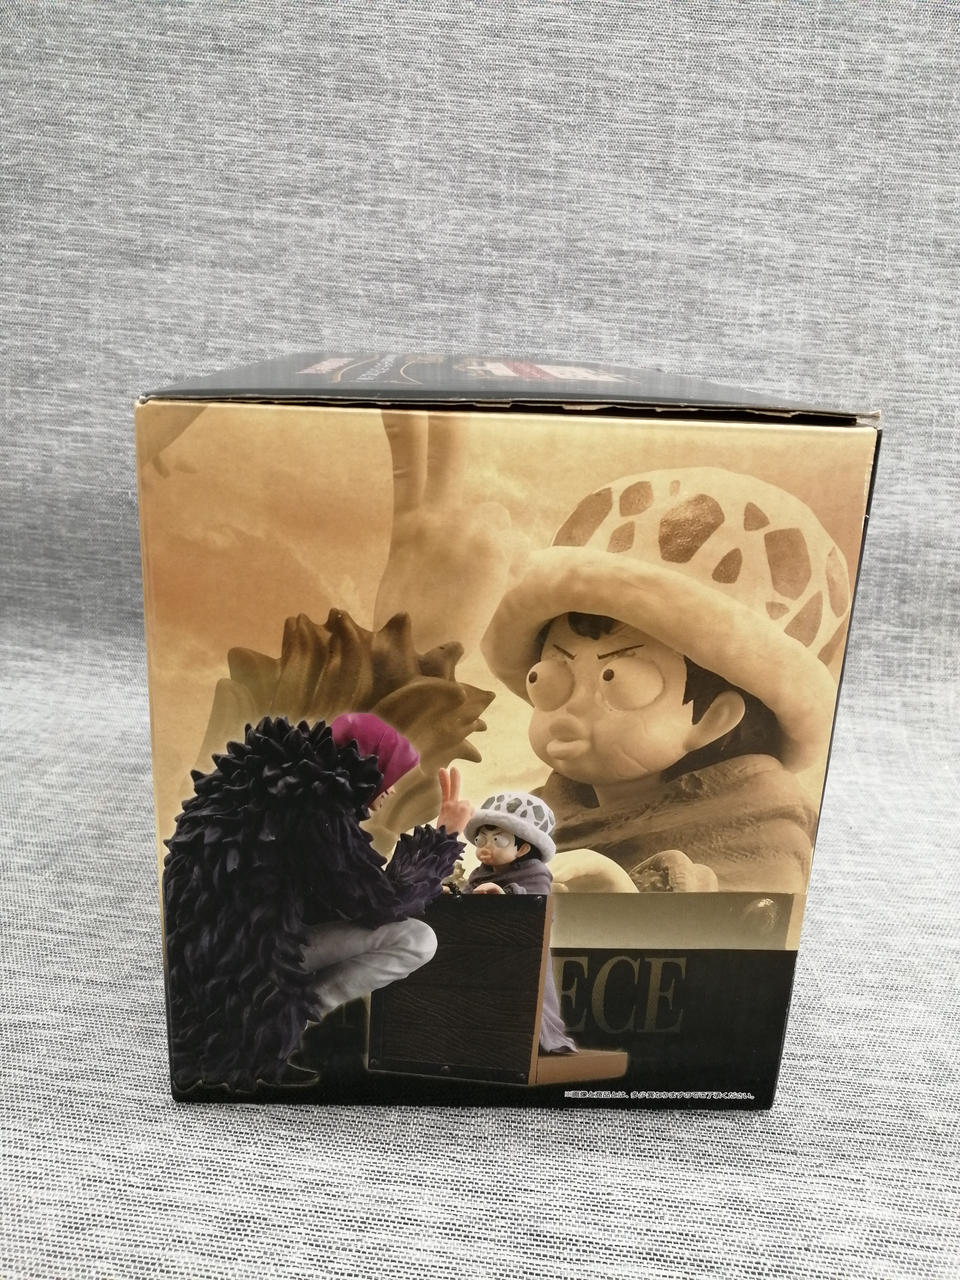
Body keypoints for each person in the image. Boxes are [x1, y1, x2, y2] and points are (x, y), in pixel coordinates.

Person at [481, 468, 853, 894]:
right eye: (548, 680)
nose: (572, 708)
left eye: (617, 682)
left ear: (714, 718)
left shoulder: (762, 826)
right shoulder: (543, 813)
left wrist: (622, 895)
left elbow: (746, 916)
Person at [162, 712, 472, 1092]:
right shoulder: (317, 804)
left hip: (198, 973)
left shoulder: (260, 781)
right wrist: (444, 837)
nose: (390, 791)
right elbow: (383, 904)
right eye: (389, 777)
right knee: (418, 939)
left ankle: (279, 1023)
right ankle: (282, 1031)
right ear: (365, 767)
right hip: (252, 974)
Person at [461, 793, 577, 1054]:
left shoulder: (535, 873)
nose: (484, 846)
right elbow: (468, 899)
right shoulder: (479, 875)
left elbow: (537, 907)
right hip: (486, 948)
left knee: (523, 996)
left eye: (497, 840)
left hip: (521, 952)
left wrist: (507, 895)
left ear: (522, 848)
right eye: (480, 839)